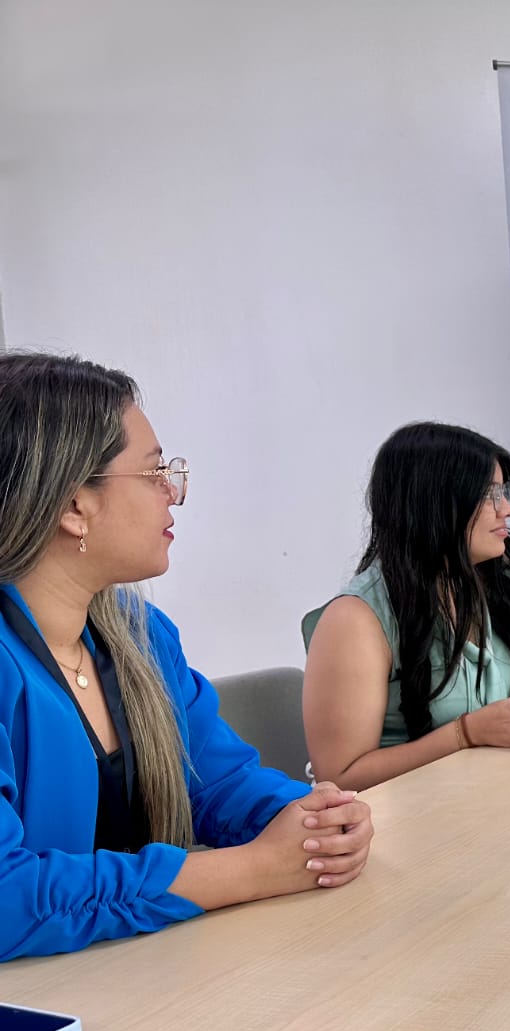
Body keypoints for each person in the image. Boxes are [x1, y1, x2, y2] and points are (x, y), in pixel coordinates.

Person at [0, 352, 374, 961]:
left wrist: (314, 822)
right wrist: (251, 870)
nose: (173, 493)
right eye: (153, 472)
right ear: (73, 506)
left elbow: (219, 782)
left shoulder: (143, 636)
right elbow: (7, 897)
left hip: (146, 974)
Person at [303, 422, 510, 791]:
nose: (508, 510)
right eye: (489, 495)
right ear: (435, 504)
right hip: (418, 816)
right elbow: (340, 776)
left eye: (504, 493)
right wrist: (465, 734)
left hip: (508, 795)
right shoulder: (354, 619)